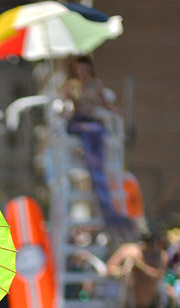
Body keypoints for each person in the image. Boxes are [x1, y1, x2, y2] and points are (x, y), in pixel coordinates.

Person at [60, 55, 134, 238]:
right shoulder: (71, 85)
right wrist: (65, 110)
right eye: (79, 69)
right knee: (90, 131)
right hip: (78, 123)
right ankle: (92, 158)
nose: (82, 72)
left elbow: (106, 105)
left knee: (97, 132)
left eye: (85, 69)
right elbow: (62, 105)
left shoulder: (96, 84)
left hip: (92, 122)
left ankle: (95, 160)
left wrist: (117, 110)